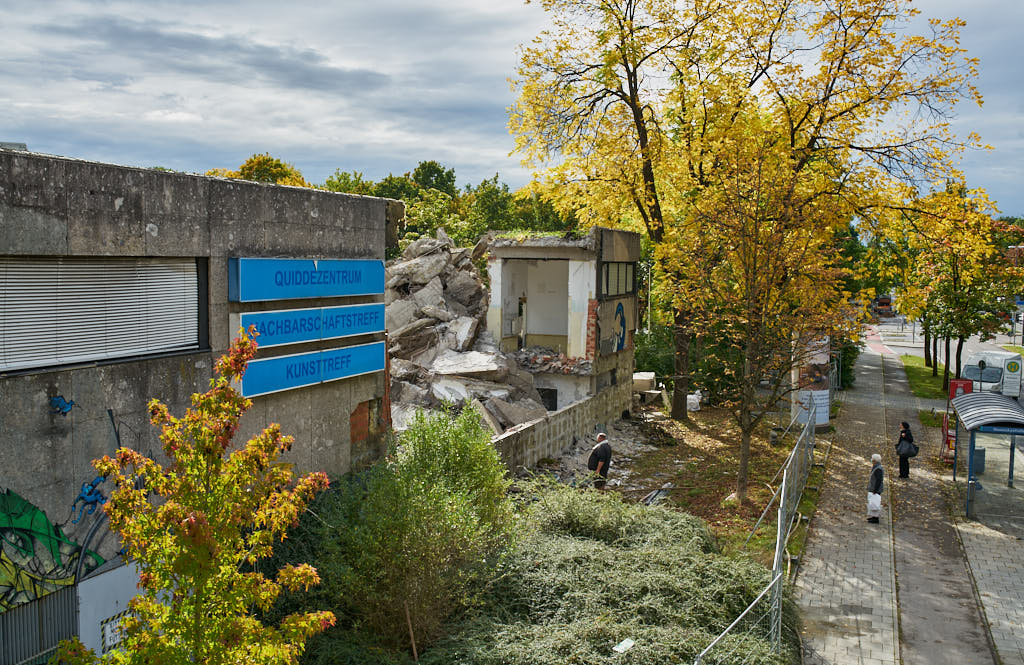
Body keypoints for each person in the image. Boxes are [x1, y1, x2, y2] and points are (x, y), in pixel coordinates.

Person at [867, 453, 884, 523]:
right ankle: (873, 517)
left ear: (874, 461)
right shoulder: (876, 467)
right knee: (872, 503)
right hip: (873, 488)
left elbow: (879, 480)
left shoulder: (878, 469)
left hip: (875, 489)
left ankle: (875, 518)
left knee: (875, 504)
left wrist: (875, 490)